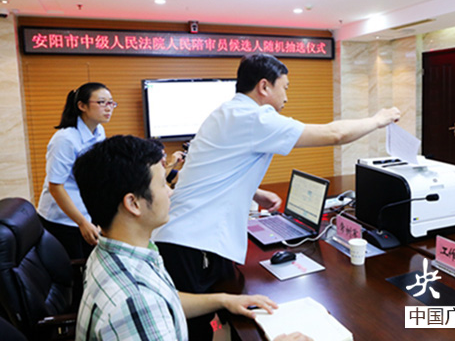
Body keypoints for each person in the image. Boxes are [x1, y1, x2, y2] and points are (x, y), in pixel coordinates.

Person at [152, 53, 401, 339]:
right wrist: (378, 119)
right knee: (194, 331)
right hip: (192, 242)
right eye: (284, 87)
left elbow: (209, 170)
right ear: (264, 86)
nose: (286, 97)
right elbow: (334, 134)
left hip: (182, 235)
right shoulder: (254, 117)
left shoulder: (226, 112)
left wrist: (254, 193)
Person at [73, 135, 310, 341]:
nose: (170, 193)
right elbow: (148, 305)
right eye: (162, 184)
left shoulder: (114, 252)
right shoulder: (136, 303)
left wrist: (224, 300)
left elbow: (167, 300)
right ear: (133, 203)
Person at [37, 82, 117, 259]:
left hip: (86, 213)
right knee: (73, 269)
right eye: (102, 102)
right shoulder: (65, 139)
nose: (108, 108)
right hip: (63, 220)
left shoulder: (99, 131)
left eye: (111, 102)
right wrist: (81, 222)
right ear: (82, 106)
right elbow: (55, 186)